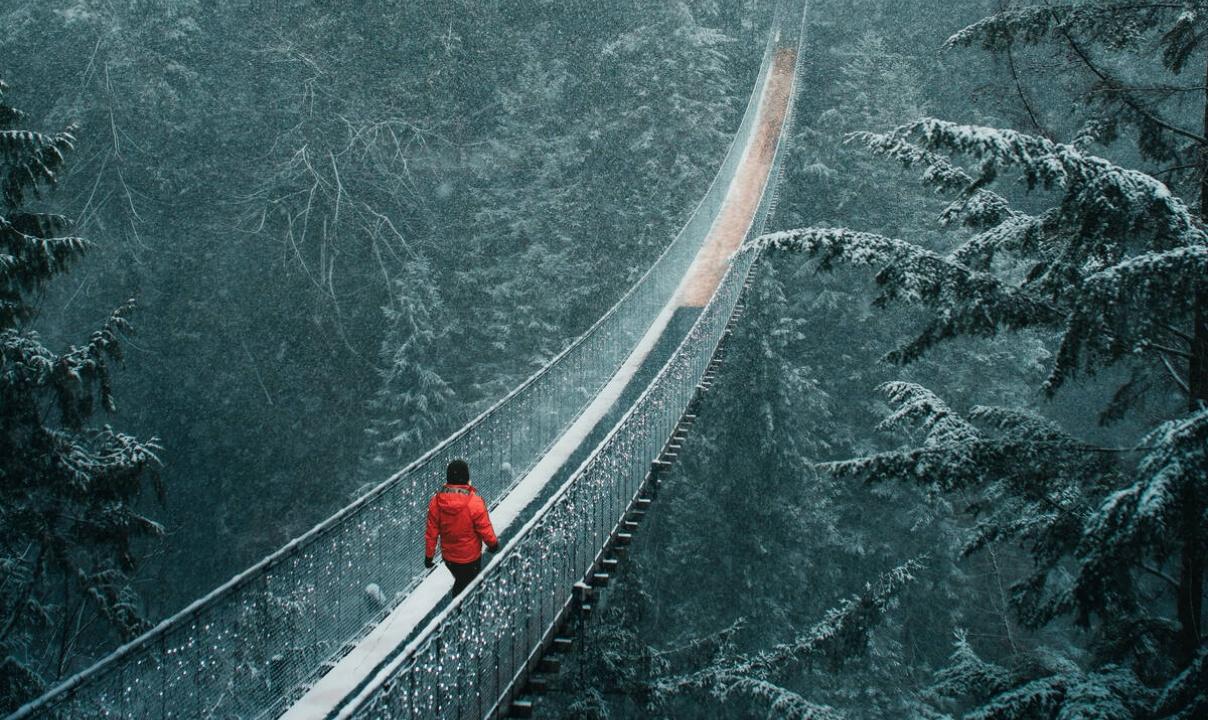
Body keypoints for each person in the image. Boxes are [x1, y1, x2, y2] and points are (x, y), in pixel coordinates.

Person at [424, 459, 500, 598]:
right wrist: (493, 544)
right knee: (466, 585)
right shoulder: (474, 502)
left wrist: (429, 556)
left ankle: (461, 607)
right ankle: (460, 611)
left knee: (462, 580)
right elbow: (484, 527)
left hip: (449, 559)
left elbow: (432, 532)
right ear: (466, 477)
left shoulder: (436, 502)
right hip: (471, 558)